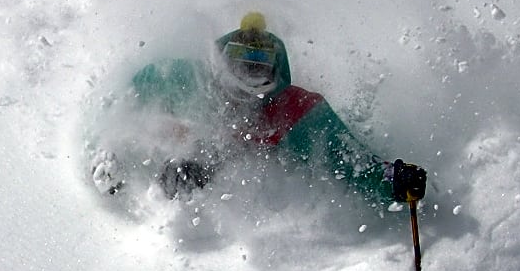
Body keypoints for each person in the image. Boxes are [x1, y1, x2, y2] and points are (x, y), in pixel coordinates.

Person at [88, 11, 426, 212]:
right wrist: (108, 153)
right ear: (222, 58)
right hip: (194, 152)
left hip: (241, 170)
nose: (249, 76)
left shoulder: (294, 109)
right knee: (184, 165)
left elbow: (349, 159)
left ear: (277, 70)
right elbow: (124, 102)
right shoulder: (187, 80)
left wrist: (393, 181)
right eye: (241, 63)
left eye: (260, 66)